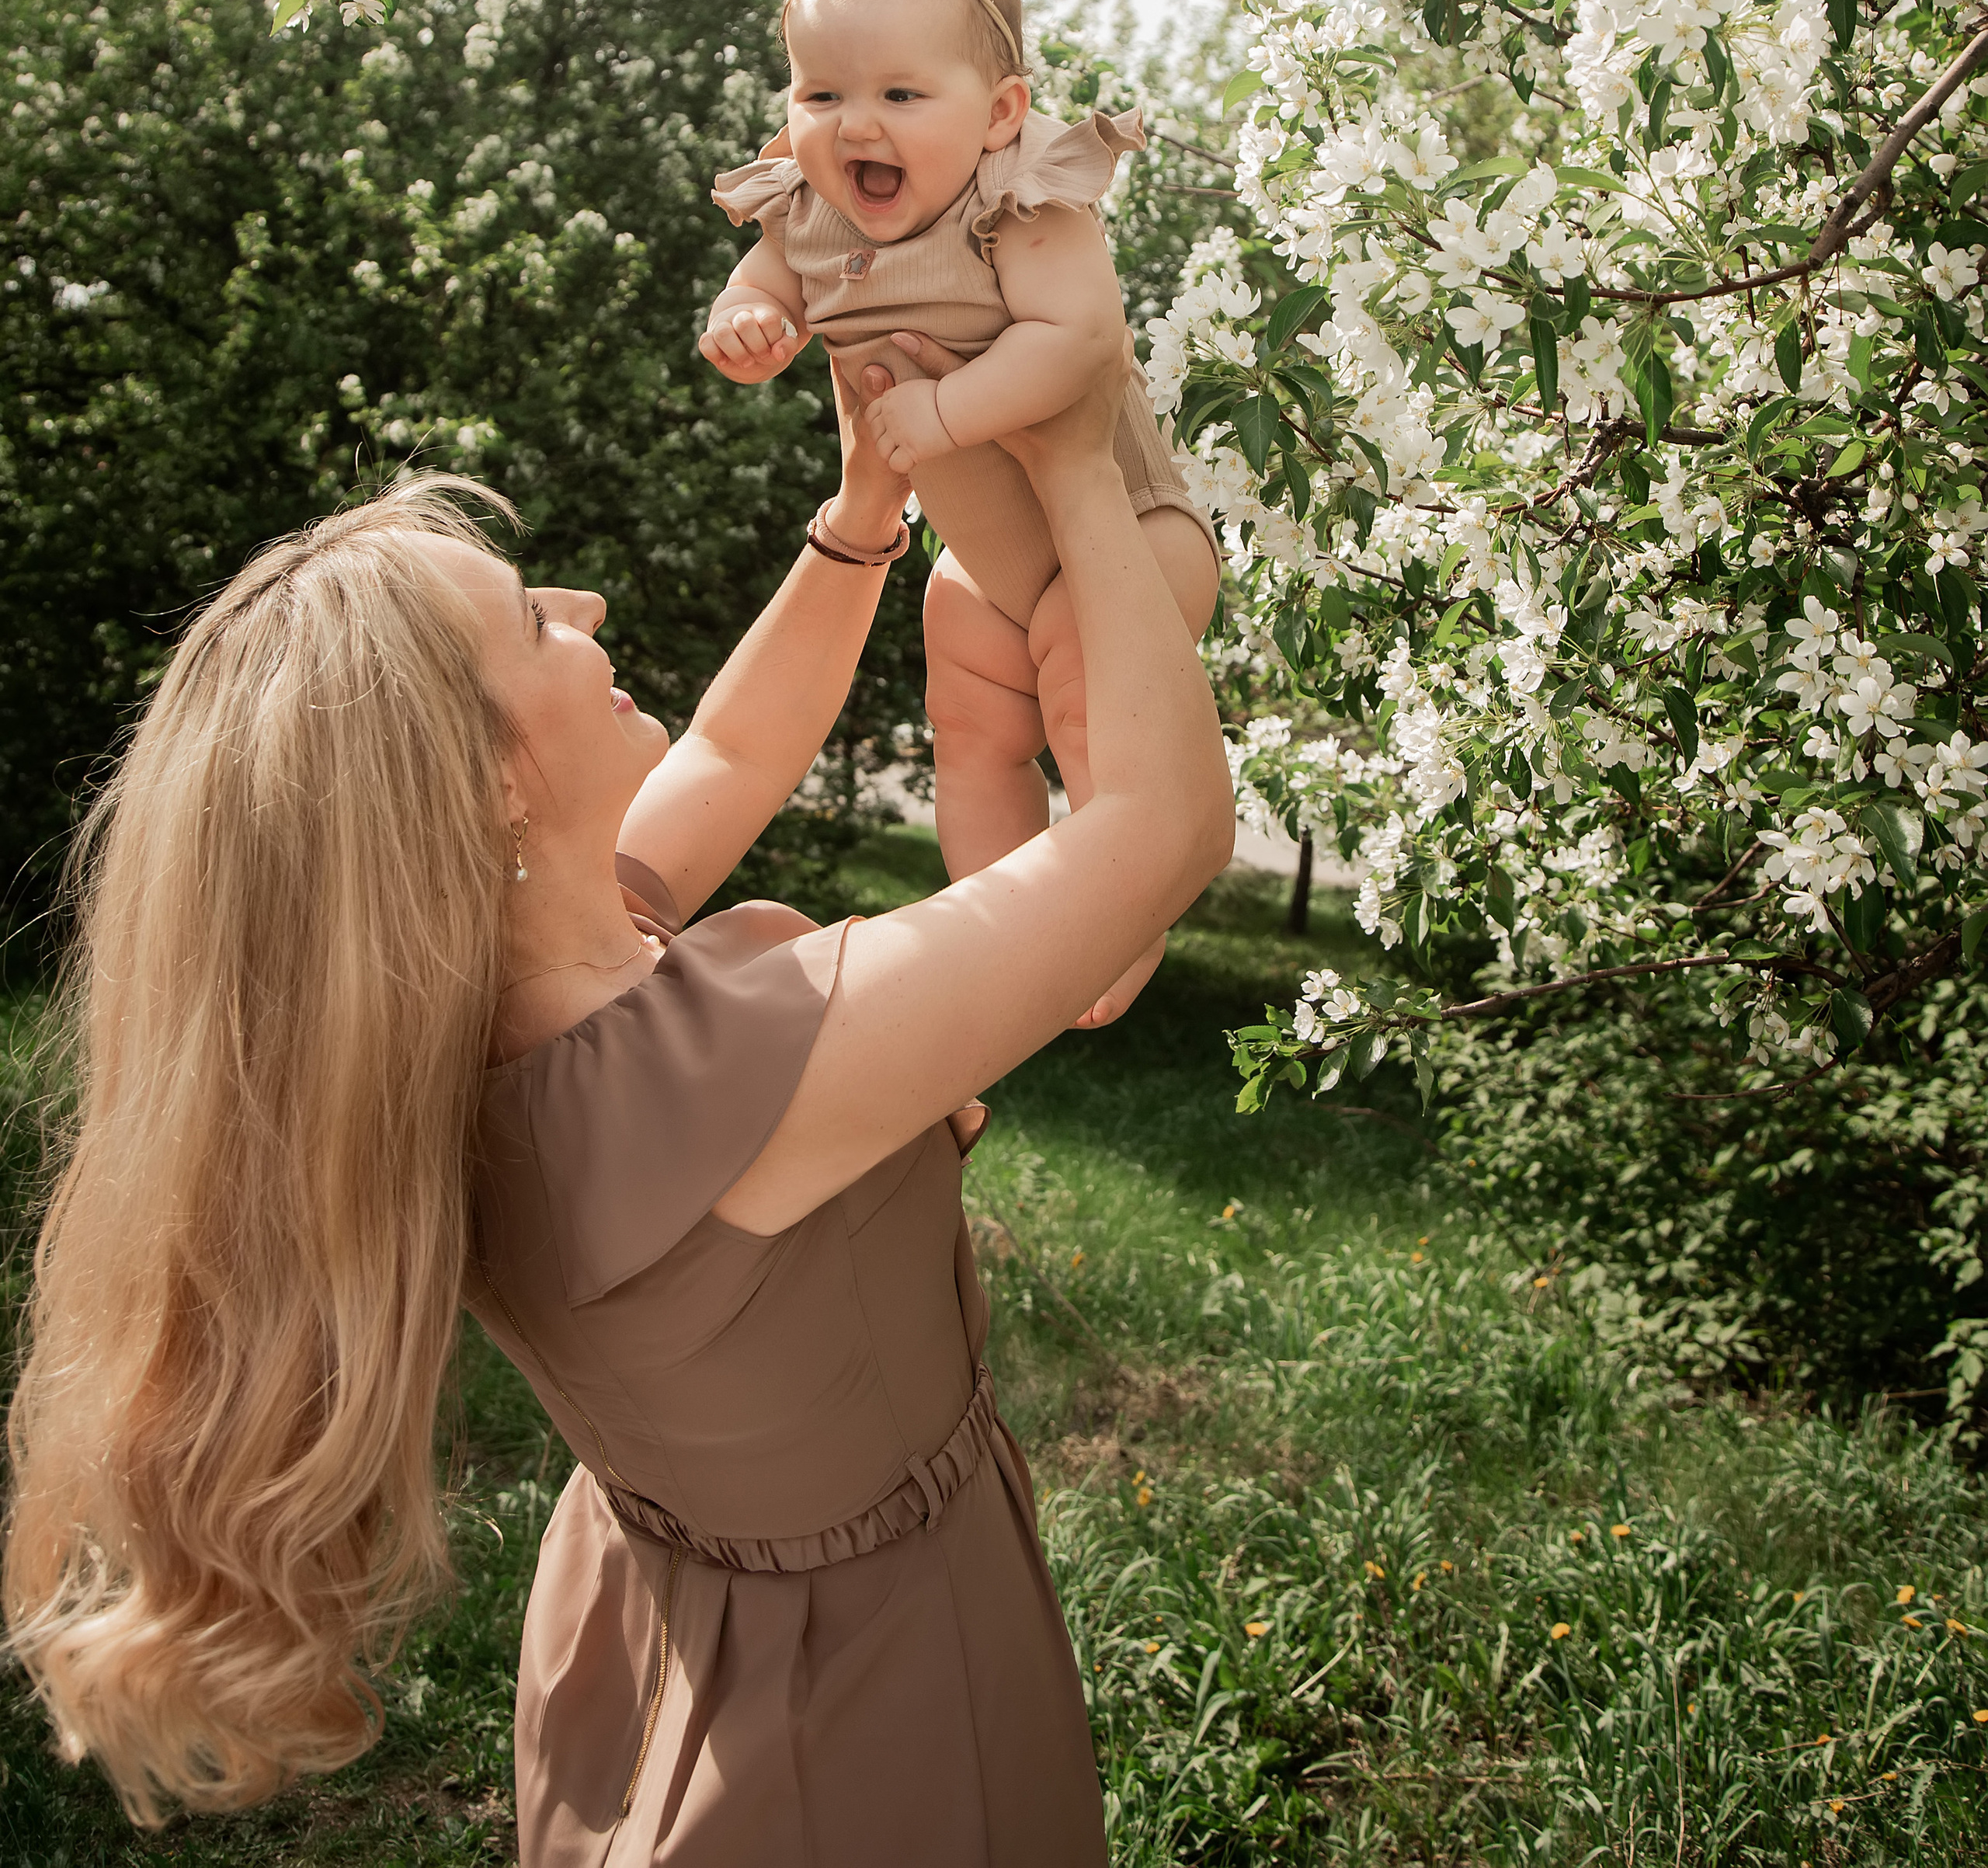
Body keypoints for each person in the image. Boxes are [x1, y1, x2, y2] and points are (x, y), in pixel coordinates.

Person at [3, 334, 1233, 1866]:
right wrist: (1067, 467)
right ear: (489, 789)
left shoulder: (476, 1020)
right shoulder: (737, 1059)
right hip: (865, 1675)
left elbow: (730, 742)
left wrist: (861, 509)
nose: (581, 607)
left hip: (676, 1611)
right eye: (533, 619)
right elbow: (1161, 829)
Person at [702, 0, 1221, 1025]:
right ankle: (1001, 931)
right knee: (974, 736)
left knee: (1090, 725)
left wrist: (946, 413)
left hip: (1126, 539)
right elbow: (768, 290)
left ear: (999, 115)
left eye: (898, 94)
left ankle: (1112, 925)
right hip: (984, 566)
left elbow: (1079, 342)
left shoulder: (1019, 202)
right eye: (821, 95)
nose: (854, 126)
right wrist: (747, 323)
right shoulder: (806, 218)